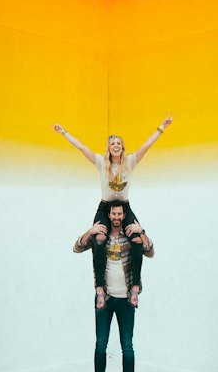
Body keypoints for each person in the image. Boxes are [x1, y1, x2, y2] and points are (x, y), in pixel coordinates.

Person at [52, 116, 172, 306]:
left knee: (137, 239)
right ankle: (100, 289)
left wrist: (161, 128)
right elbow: (82, 148)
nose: (115, 145)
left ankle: (134, 288)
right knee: (99, 239)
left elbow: (146, 147)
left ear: (122, 147)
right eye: (112, 143)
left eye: (118, 143)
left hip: (124, 207)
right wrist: (64, 132)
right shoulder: (101, 163)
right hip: (105, 206)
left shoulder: (130, 161)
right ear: (108, 148)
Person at [74, 202, 153, 372]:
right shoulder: (102, 235)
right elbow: (77, 247)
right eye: (113, 213)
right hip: (106, 299)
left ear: (123, 214)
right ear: (108, 214)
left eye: (119, 213)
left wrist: (141, 230)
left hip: (126, 299)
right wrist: (90, 230)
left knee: (127, 347)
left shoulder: (131, 235)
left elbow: (150, 250)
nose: (116, 216)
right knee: (101, 346)